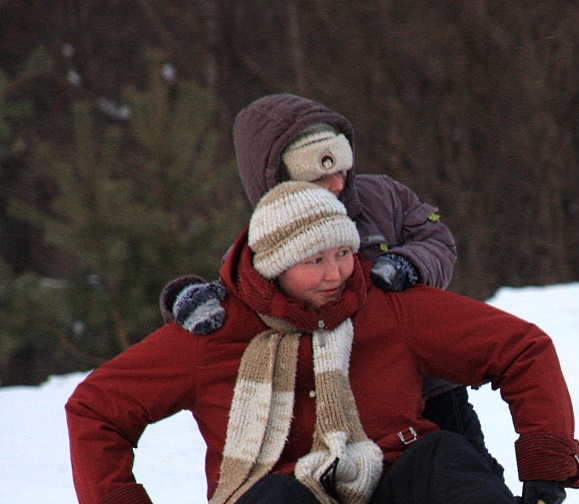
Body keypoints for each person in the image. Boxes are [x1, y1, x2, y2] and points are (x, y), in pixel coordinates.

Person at [67, 181, 579, 504]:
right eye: (315, 260)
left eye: (344, 252)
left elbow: (522, 349)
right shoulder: (216, 333)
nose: (338, 273)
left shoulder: (388, 308)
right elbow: (97, 408)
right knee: (271, 497)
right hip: (283, 492)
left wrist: (545, 463)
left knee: (444, 456)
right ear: (273, 264)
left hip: (393, 480)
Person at [159, 93, 499, 471]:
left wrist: (408, 264)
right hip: (352, 397)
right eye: (320, 177)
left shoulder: (384, 198)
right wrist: (187, 298)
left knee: (473, 471)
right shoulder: (265, 240)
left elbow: (437, 241)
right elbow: (240, 294)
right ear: (278, 179)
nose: (337, 184)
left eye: (342, 168)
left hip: (431, 382)